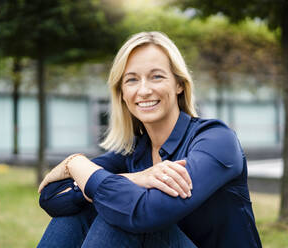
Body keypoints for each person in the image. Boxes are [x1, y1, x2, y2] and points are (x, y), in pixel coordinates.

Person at [37, 31, 262, 248]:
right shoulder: (134, 152)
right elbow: (50, 197)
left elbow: (145, 214)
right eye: (132, 80)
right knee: (84, 210)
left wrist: (74, 163)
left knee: (117, 216)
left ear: (179, 84)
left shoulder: (216, 140)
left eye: (157, 76)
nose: (144, 90)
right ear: (122, 93)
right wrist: (135, 179)